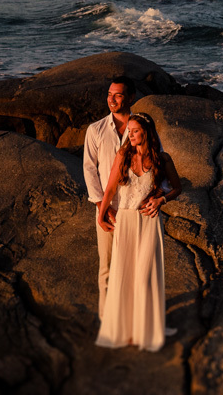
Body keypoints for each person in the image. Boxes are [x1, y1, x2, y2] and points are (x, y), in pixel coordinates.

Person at [95, 112, 182, 351]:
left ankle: (145, 330)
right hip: (125, 221)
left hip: (149, 223)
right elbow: (110, 188)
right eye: (129, 131)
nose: (130, 135)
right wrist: (101, 215)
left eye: (135, 131)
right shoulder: (123, 155)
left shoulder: (162, 159)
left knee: (145, 278)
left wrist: (161, 200)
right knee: (124, 278)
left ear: (147, 132)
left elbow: (177, 188)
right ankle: (127, 330)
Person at [83, 76, 135, 319]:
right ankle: (107, 322)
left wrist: (159, 196)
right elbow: (89, 169)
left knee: (133, 268)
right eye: (109, 94)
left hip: (135, 208)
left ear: (131, 98)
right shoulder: (95, 130)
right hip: (106, 208)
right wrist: (101, 206)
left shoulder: (142, 127)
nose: (111, 100)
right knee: (107, 268)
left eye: (118, 95)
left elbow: (158, 160)